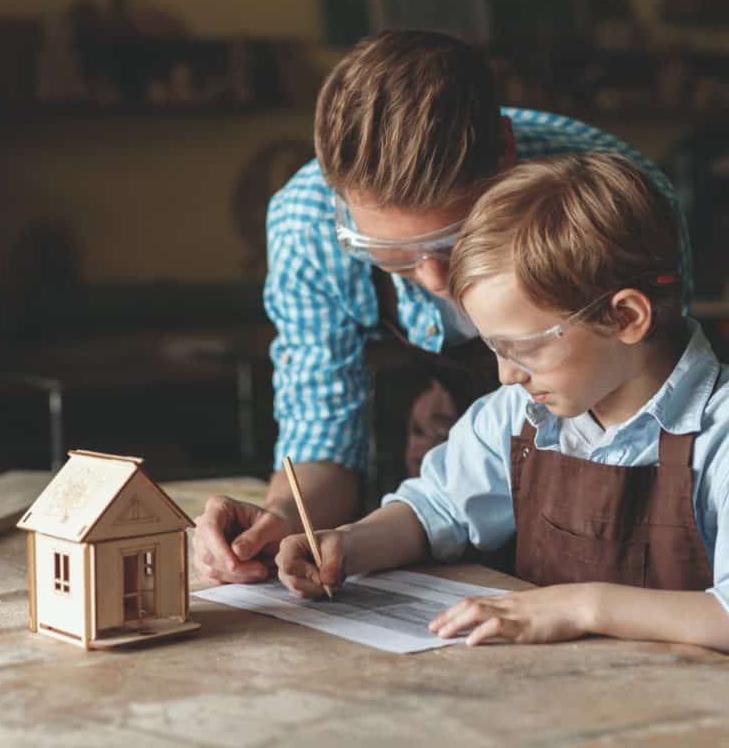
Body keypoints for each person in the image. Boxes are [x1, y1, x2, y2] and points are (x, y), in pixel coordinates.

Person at [193, 30, 693, 586]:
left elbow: (656, 405)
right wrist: (285, 522)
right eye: (396, 261)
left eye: (452, 242)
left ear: (504, 152)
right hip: (443, 488)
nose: (434, 281)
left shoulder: (615, 197)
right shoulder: (305, 225)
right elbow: (324, 434)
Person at [274, 154, 729, 652]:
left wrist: (581, 606)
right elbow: (436, 509)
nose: (506, 374)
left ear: (624, 317)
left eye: (526, 347)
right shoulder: (518, 414)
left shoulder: (718, 435)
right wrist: (349, 544)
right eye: (495, 348)